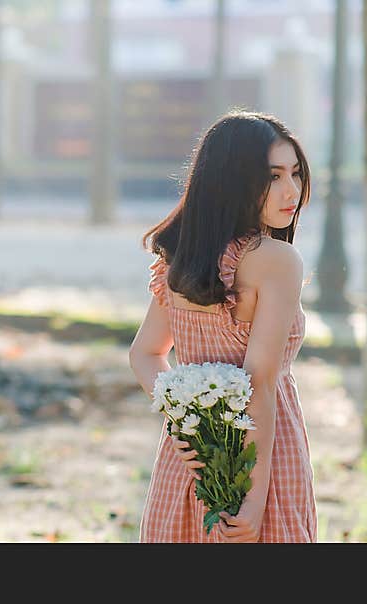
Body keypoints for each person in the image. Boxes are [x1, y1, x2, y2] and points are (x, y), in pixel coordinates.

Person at [129, 111, 317, 543]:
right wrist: (252, 501)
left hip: (191, 458)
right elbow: (260, 383)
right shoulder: (276, 260)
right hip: (266, 453)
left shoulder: (184, 258)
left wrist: (187, 425)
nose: (292, 191)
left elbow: (146, 354)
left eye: (295, 173)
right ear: (233, 181)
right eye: (272, 177)